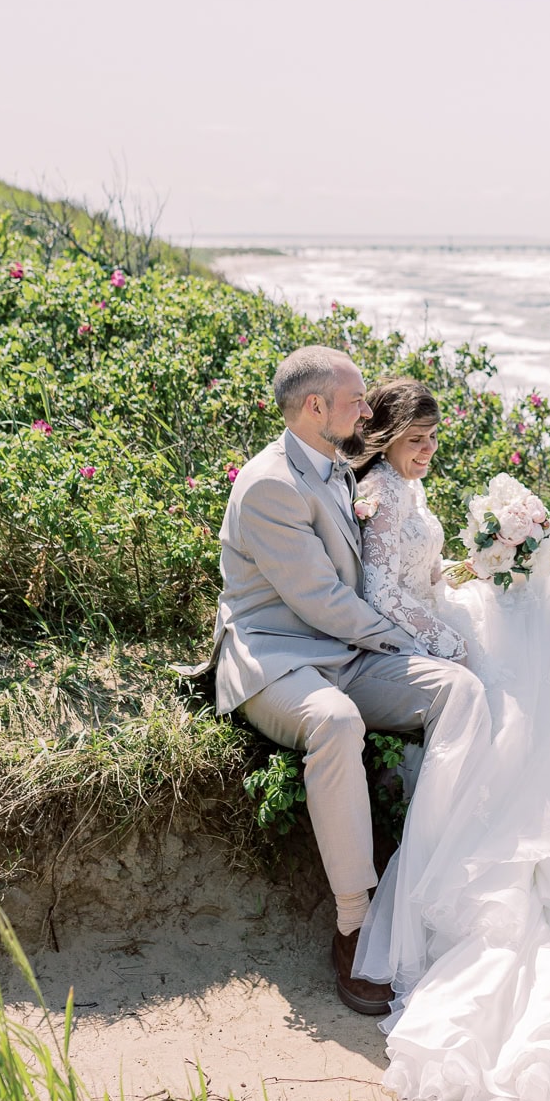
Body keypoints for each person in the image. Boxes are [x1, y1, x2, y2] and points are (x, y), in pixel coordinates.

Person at [346, 377, 550, 1101]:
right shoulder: (380, 495)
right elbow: (381, 593)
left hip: (434, 611)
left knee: (541, 602)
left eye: (431, 440)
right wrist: (450, 639)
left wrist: (469, 573)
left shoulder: (405, 488)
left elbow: (418, 576)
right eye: (416, 441)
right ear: (387, 438)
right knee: (518, 651)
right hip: (415, 634)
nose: (428, 452)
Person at [188, 344, 492, 1018]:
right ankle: (354, 920)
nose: (367, 407)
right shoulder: (270, 483)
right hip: (281, 658)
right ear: (314, 406)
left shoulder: (337, 466)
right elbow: (320, 599)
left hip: (347, 652)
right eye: (355, 398)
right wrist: (411, 638)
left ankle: (437, 866)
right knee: (335, 721)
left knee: (461, 691)